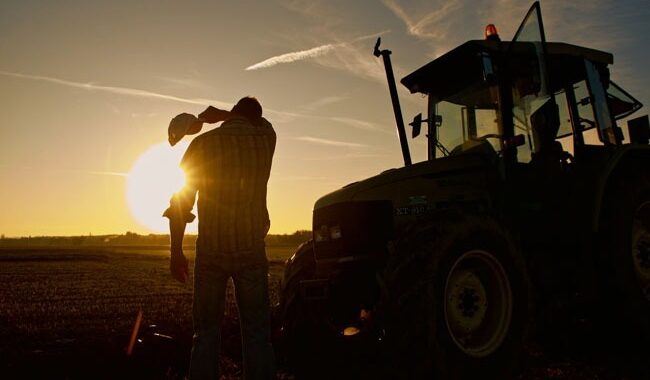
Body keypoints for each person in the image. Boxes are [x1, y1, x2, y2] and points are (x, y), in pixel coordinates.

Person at [163, 97, 276, 380]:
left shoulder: (201, 144)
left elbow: (181, 204)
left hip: (212, 252)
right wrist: (224, 115)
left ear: (234, 112)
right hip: (251, 250)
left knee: (205, 334)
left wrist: (176, 252)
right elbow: (261, 122)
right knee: (257, 333)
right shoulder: (265, 138)